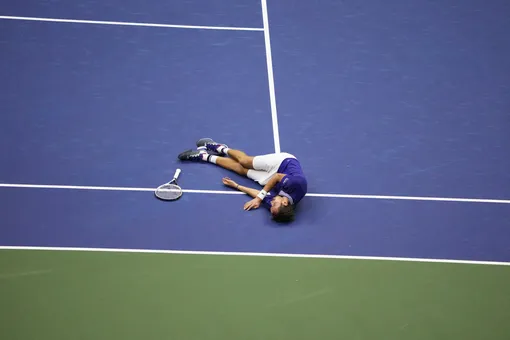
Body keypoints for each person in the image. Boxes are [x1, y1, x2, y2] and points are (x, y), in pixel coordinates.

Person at [178, 138, 307, 222]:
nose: (271, 202)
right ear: (285, 203)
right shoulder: (298, 185)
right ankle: (220, 148)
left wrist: (237, 186)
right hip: (282, 163)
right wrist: (259, 198)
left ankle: (204, 156)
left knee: (241, 170)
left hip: (275, 179)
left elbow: (259, 196)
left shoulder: (278, 208)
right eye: (274, 204)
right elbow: (277, 177)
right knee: (245, 162)